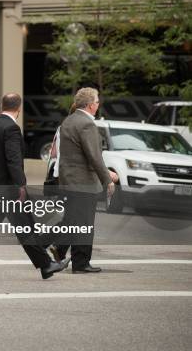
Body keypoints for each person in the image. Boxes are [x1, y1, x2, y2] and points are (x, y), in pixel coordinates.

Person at [0, 93, 70, 281]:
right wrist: (21, 184)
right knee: (26, 228)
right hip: (9, 189)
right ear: (19, 108)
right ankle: (46, 265)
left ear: (2, 106)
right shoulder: (11, 128)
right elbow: (13, 160)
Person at [54, 88, 118, 273]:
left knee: (74, 220)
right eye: (97, 101)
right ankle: (81, 264)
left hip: (69, 180)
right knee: (84, 224)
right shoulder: (86, 124)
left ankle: (59, 249)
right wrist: (107, 179)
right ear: (91, 105)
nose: (98, 104)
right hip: (83, 182)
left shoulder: (69, 120)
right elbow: (94, 156)